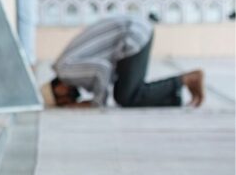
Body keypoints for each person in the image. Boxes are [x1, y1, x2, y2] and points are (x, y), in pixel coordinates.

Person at [42, 14, 204, 109]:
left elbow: (102, 70)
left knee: (126, 96)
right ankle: (172, 98)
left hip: (131, 34)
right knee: (125, 93)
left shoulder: (65, 70)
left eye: (63, 102)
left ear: (59, 90)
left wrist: (96, 104)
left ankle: (187, 79)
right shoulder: (65, 65)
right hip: (132, 31)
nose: (71, 102)